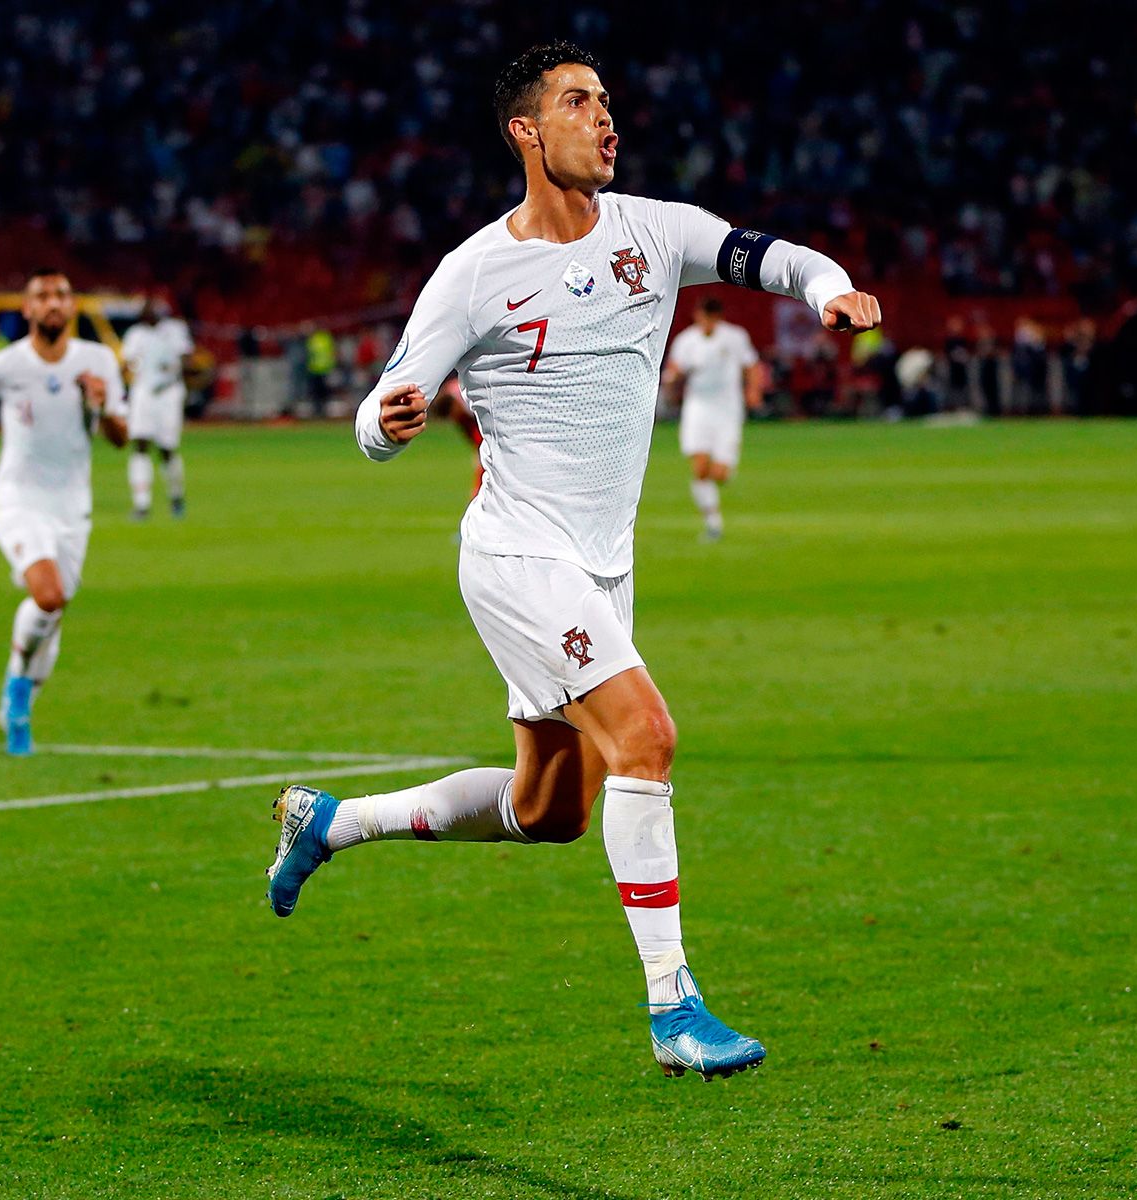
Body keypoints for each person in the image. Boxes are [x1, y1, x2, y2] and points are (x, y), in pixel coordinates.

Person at [264, 42, 881, 1081]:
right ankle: (673, 1008)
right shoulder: (472, 273)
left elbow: (770, 256)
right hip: (514, 554)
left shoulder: (657, 229)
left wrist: (833, 291)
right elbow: (379, 409)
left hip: (600, 567)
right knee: (647, 736)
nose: (606, 120)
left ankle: (335, 822)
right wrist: (389, 419)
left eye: (606, 102)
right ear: (525, 131)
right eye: (579, 102)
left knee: (550, 811)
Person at [0, 269, 128, 755]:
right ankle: (18, 693)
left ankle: (21, 694)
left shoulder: (97, 362)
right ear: (26, 309)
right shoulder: (7, 364)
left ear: (72, 308)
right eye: (43, 297)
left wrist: (102, 403)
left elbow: (120, 437)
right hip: (18, 498)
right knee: (47, 597)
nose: (53, 303)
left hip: (73, 506)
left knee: (54, 612)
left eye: (62, 296)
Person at [663, 296, 759, 540]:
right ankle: (713, 524)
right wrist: (671, 381)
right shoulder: (686, 341)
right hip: (698, 408)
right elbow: (675, 368)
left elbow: (752, 366)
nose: (705, 323)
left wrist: (753, 391)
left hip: (728, 409)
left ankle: (723, 474)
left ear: (717, 318)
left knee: (720, 473)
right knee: (700, 468)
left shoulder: (735, 337)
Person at [120, 301, 194, 519]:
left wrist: (177, 367)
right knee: (140, 444)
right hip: (143, 393)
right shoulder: (135, 334)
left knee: (166, 449)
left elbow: (186, 357)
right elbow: (127, 363)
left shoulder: (175, 330)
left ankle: (176, 496)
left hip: (168, 393)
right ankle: (142, 504)